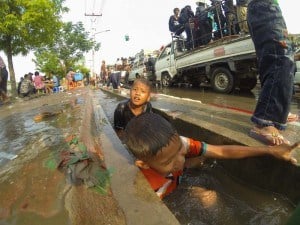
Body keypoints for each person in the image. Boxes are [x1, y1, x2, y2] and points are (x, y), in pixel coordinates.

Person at [123, 113, 299, 199]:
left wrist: (270, 151)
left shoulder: (178, 144)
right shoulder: (147, 187)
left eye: (180, 152)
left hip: (177, 184)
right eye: (169, 161)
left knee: (208, 196)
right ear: (144, 164)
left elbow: (222, 151)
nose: (179, 160)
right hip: (166, 196)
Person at [247, 0, 295, 145]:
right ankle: (266, 121)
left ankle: (277, 112)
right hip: (265, 6)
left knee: (272, 59)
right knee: (280, 58)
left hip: (265, 7)